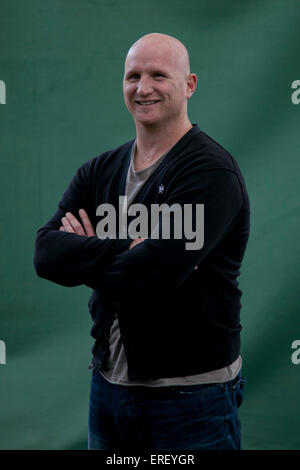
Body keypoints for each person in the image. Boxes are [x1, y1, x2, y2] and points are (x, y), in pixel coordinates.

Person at [34, 32, 250, 450]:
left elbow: (154, 273)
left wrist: (91, 249)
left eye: (158, 75)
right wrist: (125, 247)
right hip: (108, 386)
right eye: (133, 75)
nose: (143, 87)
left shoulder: (210, 172)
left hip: (190, 398)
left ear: (189, 85)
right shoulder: (99, 170)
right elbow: (46, 254)